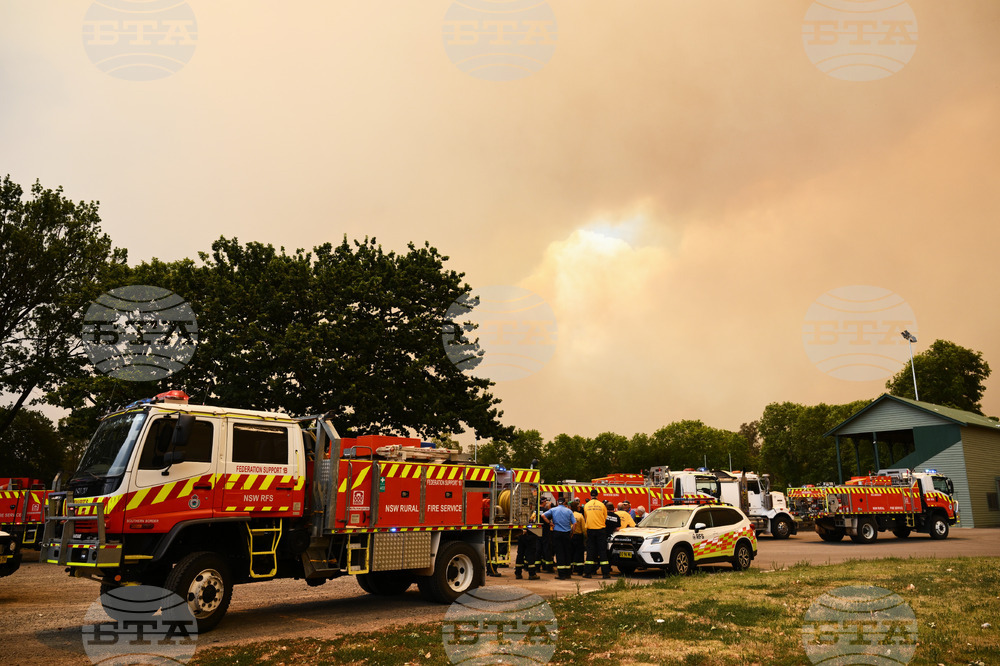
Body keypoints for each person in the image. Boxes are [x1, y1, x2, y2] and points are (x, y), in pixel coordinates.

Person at [542, 497, 576, 579]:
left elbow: (543, 515)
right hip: (566, 534)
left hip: (557, 533)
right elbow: (574, 524)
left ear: (557, 502)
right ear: (565, 503)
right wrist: (572, 533)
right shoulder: (569, 511)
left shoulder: (553, 510)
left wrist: (550, 523)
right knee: (567, 553)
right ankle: (568, 573)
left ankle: (561, 574)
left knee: (559, 553)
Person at [583, 489, 610, 579]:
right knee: (602, 551)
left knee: (590, 551)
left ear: (590, 496)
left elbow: (586, 517)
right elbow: (605, 517)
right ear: (597, 496)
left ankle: (588, 573)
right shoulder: (602, 505)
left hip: (590, 530)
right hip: (601, 530)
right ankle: (605, 573)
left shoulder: (586, 505)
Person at [569, 499, 587, 575]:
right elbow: (584, 528)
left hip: (569, 536)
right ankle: (579, 570)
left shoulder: (568, 514)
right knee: (579, 553)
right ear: (577, 507)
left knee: (570, 552)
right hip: (578, 536)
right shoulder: (580, 516)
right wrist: (586, 537)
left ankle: (570, 569)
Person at [538, 498, 555, 573]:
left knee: (538, 549)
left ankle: (537, 567)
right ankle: (548, 567)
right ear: (543, 502)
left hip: (537, 532)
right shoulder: (545, 511)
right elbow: (551, 517)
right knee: (547, 549)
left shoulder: (535, 510)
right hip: (545, 531)